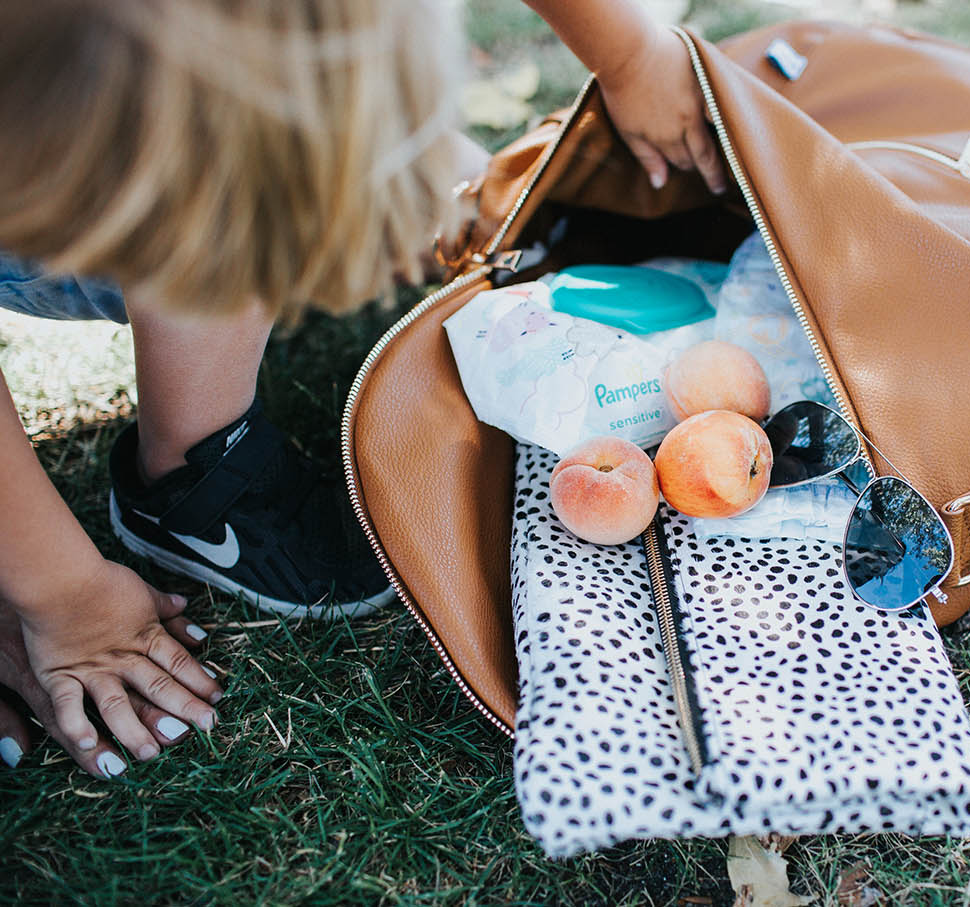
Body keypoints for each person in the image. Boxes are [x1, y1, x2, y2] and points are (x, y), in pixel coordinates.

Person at [0, 0, 722, 778]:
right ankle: (194, 475)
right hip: (59, 189)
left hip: (139, 123)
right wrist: (59, 594)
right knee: (244, 151)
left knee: (298, 148)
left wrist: (629, 56)